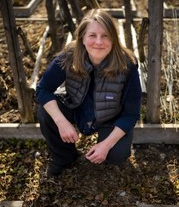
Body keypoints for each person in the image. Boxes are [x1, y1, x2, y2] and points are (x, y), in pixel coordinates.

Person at [36, 9, 142, 177]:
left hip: (111, 117)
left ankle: (106, 147)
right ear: (82, 38)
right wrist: (62, 122)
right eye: (92, 35)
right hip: (77, 108)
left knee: (117, 155)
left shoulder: (127, 65)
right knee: (45, 113)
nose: (98, 42)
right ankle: (64, 157)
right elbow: (43, 89)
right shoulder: (69, 56)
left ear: (114, 38)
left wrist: (106, 145)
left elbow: (131, 114)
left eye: (105, 35)